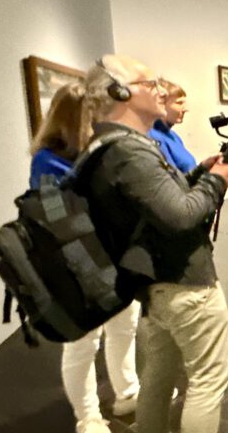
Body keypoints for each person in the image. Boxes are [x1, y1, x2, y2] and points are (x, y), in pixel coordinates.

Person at [80, 54, 228, 433]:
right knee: (208, 380)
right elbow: (181, 216)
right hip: (184, 283)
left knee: (158, 376)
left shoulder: (113, 145)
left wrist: (198, 173)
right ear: (119, 92)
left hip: (156, 286)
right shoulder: (129, 151)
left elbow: (156, 205)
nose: (161, 91)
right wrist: (217, 181)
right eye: (150, 84)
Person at [29, 83, 142, 433]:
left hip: (116, 259)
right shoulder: (47, 161)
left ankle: (128, 392)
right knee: (83, 343)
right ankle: (88, 416)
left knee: (124, 328)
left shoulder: (99, 151)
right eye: (98, 114)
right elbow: (56, 217)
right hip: (77, 263)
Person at [148, 79, 198, 173]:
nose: (185, 109)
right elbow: (172, 177)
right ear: (161, 104)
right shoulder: (153, 136)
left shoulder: (174, 136)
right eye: (179, 103)